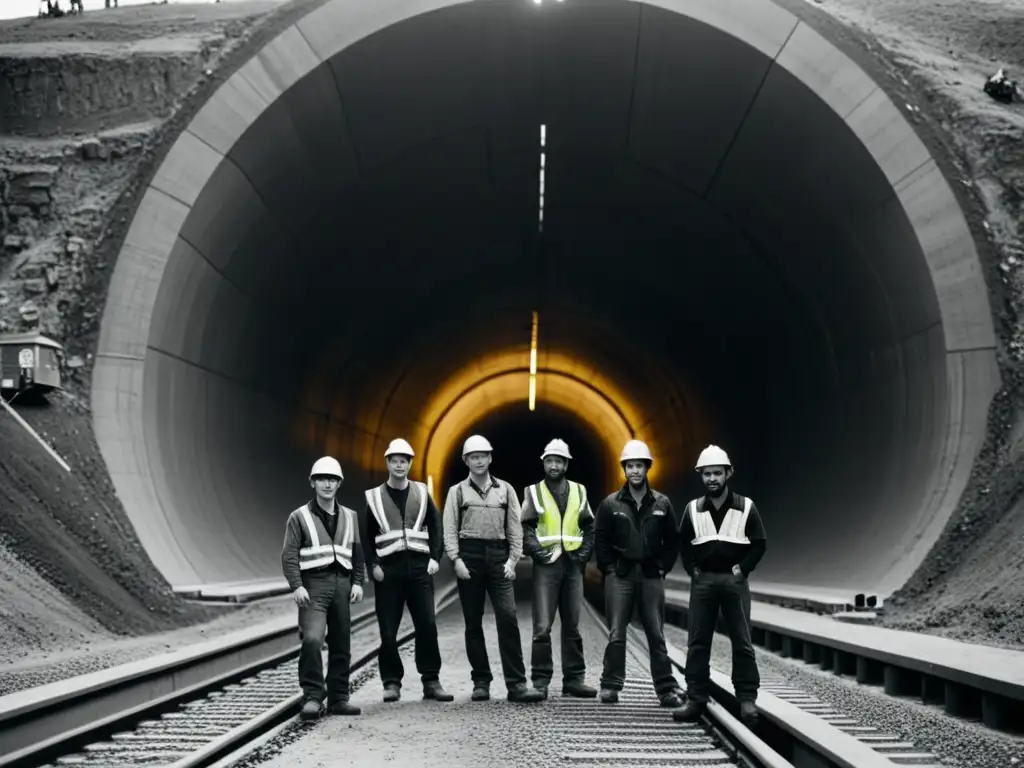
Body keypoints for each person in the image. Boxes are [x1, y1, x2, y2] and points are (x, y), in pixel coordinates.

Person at [442, 434, 545, 703]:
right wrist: (456, 559)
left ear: (490, 458)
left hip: (499, 557)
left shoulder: (506, 490)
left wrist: (513, 560)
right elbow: (450, 528)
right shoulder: (457, 492)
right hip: (470, 556)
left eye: (483, 456)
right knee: (473, 622)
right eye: (473, 457)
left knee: (508, 617)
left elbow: (514, 527)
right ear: (466, 460)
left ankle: (517, 685)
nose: (478, 461)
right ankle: (481, 682)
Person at [672, 445, 766, 726]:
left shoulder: (746, 506)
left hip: (733, 582)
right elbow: (683, 543)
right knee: (698, 642)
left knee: (742, 640)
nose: (712, 478)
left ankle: (747, 699)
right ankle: (696, 698)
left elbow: (760, 543)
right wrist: (693, 570)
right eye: (707, 474)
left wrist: (743, 569)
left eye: (717, 473)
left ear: (728, 474)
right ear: (701, 476)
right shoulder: (692, 509)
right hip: (704, 582)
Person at [364, 438, 454, 703]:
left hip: (418, 569)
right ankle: (391, 682)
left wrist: (435, 557)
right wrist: (374, 567)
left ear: (410, 464)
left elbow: (435, 527)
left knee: (427, 624)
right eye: (395, 461)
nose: (399, 465)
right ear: (388, 463)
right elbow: (367, 536)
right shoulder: (375, 497)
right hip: (389, 572)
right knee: (388, 630)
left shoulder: (422, 493)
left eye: (404, 461)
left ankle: (431, 681)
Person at [593, 439, 682, 707]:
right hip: (620, 575)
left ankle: (666, 688)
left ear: (647, 468)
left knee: (656, 632)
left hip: (650, 575)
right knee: (617, 632)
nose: (634, 471)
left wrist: (663, 566)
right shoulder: (610, 504)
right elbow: (601, 539)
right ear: (624, 469)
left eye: (639, 466)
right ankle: (610, 686)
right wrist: (609, 568)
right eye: (630, 466)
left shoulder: (662, 503)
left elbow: (673, 540)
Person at [281, 456, 365, 720]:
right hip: (313, 586)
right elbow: (289, 554)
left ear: (339, 483)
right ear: (313, 483)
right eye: (322, 479)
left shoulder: (350, 517)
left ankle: (339, 697)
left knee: (341, 642)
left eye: (332, 479)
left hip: (342, 584)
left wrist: (358, 582)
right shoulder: (299, 517)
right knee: (313, 639)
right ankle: (313, 696)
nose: (327, 484)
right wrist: (297, 586)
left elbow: (358, 553)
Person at [520, 438, 597, 699]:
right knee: (542, 625)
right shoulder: (533, 491)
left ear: (566, 464)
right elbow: (527, 526)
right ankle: (540, 681)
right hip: (546, 566)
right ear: (544, 463)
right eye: (549, 461)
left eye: (558, 461)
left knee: (573, 625)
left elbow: (589, 526)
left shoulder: (579, 491)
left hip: (573, 566)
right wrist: (537, 553)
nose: (553, 465)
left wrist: (584, 553)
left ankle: (574, 680)